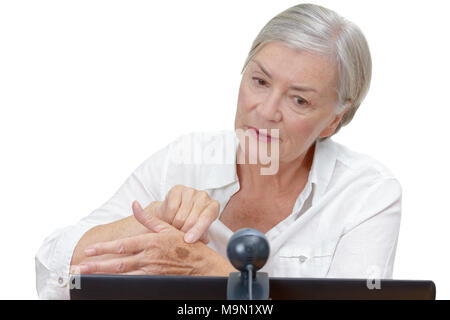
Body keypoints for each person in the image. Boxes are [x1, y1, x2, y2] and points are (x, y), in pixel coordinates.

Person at [35, 3, 402, 299]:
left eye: (299, 100)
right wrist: (151, 217)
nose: (266, 110)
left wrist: (208, 270)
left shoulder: (366, 194)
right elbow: (53, 271)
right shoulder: (185, 160)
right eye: (259, 81)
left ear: (332, 121)